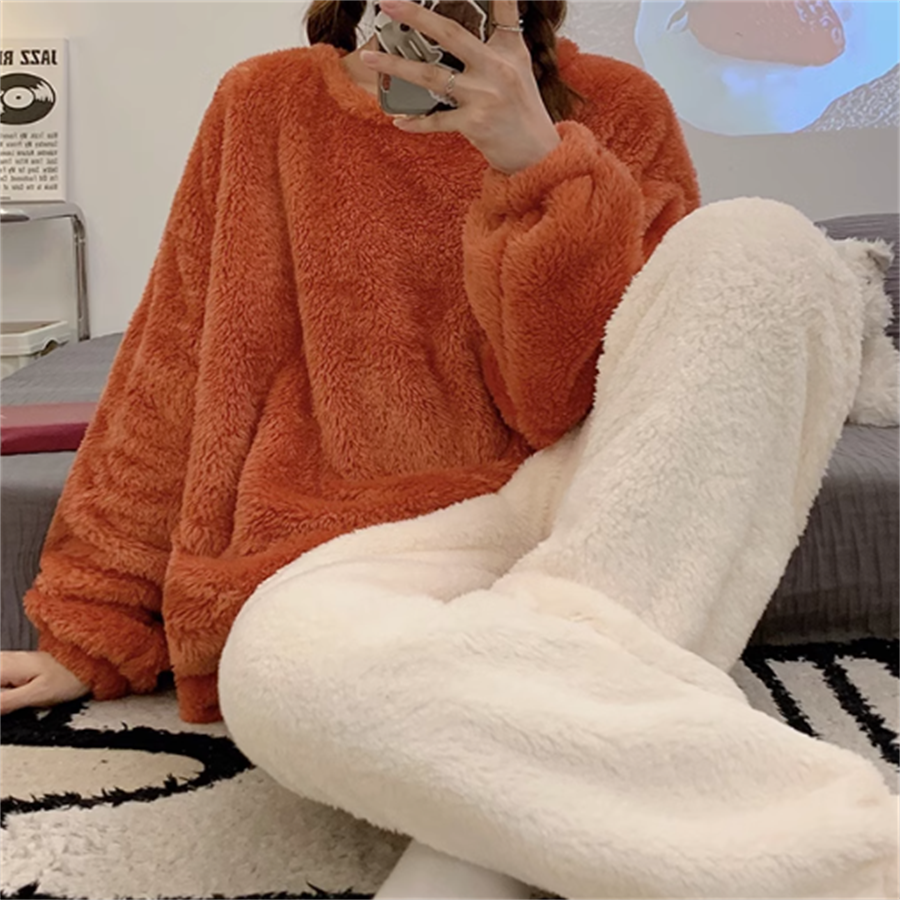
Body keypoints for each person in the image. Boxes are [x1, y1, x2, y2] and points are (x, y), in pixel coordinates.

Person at [1, 1, 897, 898]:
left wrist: (539, 166)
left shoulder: (622, 103)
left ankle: (515, 744)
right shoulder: (266, 102)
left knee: (764, 243)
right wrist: (94, 621)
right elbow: (176, 362)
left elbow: (579, 400)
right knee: (275, 669)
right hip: (359, 549)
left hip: (595, 509)